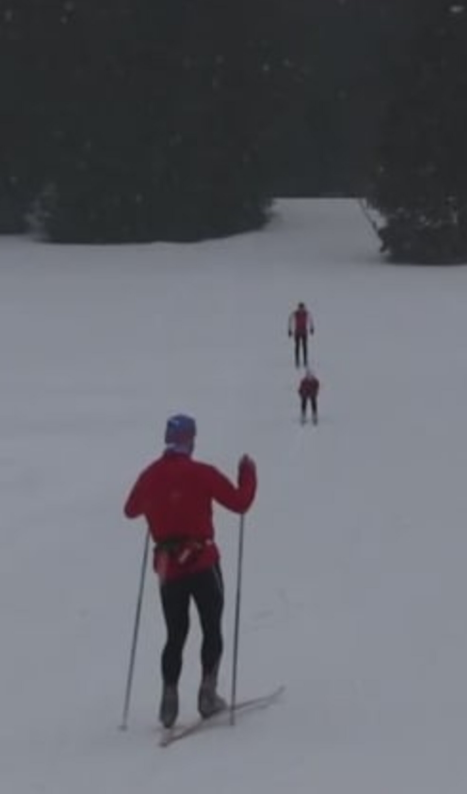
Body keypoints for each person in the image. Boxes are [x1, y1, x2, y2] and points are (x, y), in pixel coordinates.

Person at [124, 414, 257, 728]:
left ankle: (168, 698)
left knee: (175, 633)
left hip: (168, 569)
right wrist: (247, 473)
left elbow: (130, 510)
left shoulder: (150, 475)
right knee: (211, 627)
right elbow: (240, 502)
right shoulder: (201, 473)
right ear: (191, 440)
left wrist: (157, 504)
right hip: (202, 563)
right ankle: (207, 694)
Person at [288, 302, 314, 368]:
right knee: (297, 346)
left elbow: (310, 320)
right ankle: (297, 361)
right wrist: (290, 330)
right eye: (300, 308)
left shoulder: (307, 313)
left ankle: (305, 361)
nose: (301, 310)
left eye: (302, 308)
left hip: (304, 332)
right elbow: (290, 320)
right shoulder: (295, 314)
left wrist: (311, 328)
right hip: (297, 332)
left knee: (304, 346)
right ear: (298, 308)